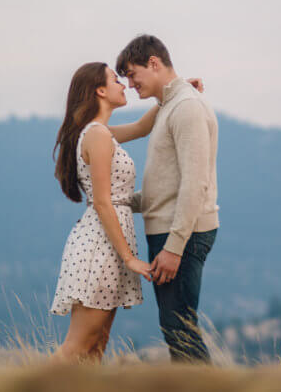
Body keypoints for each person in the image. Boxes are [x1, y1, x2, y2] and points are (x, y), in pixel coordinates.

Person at [49, 61, 203, 362]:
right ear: (101, 90)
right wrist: (130, 259)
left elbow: (142, 127)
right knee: (80, 345)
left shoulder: (101, 132)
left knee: (95, 349)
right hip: (100, 247)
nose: (124, 85)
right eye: (115, 80)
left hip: (110, 244)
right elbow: (104, 202)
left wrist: (176, 90)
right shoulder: (96, 134)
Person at [116, 34, 219, 363]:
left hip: (182, 234)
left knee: (179, 329)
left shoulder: (186, 107)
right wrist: (116, 202)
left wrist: (174, 247)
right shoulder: (171, 105)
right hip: (172, 229)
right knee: (175, 327)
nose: (131, 84)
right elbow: (165, 187)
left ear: (154, 63)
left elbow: (194, 183)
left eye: (133, 74)